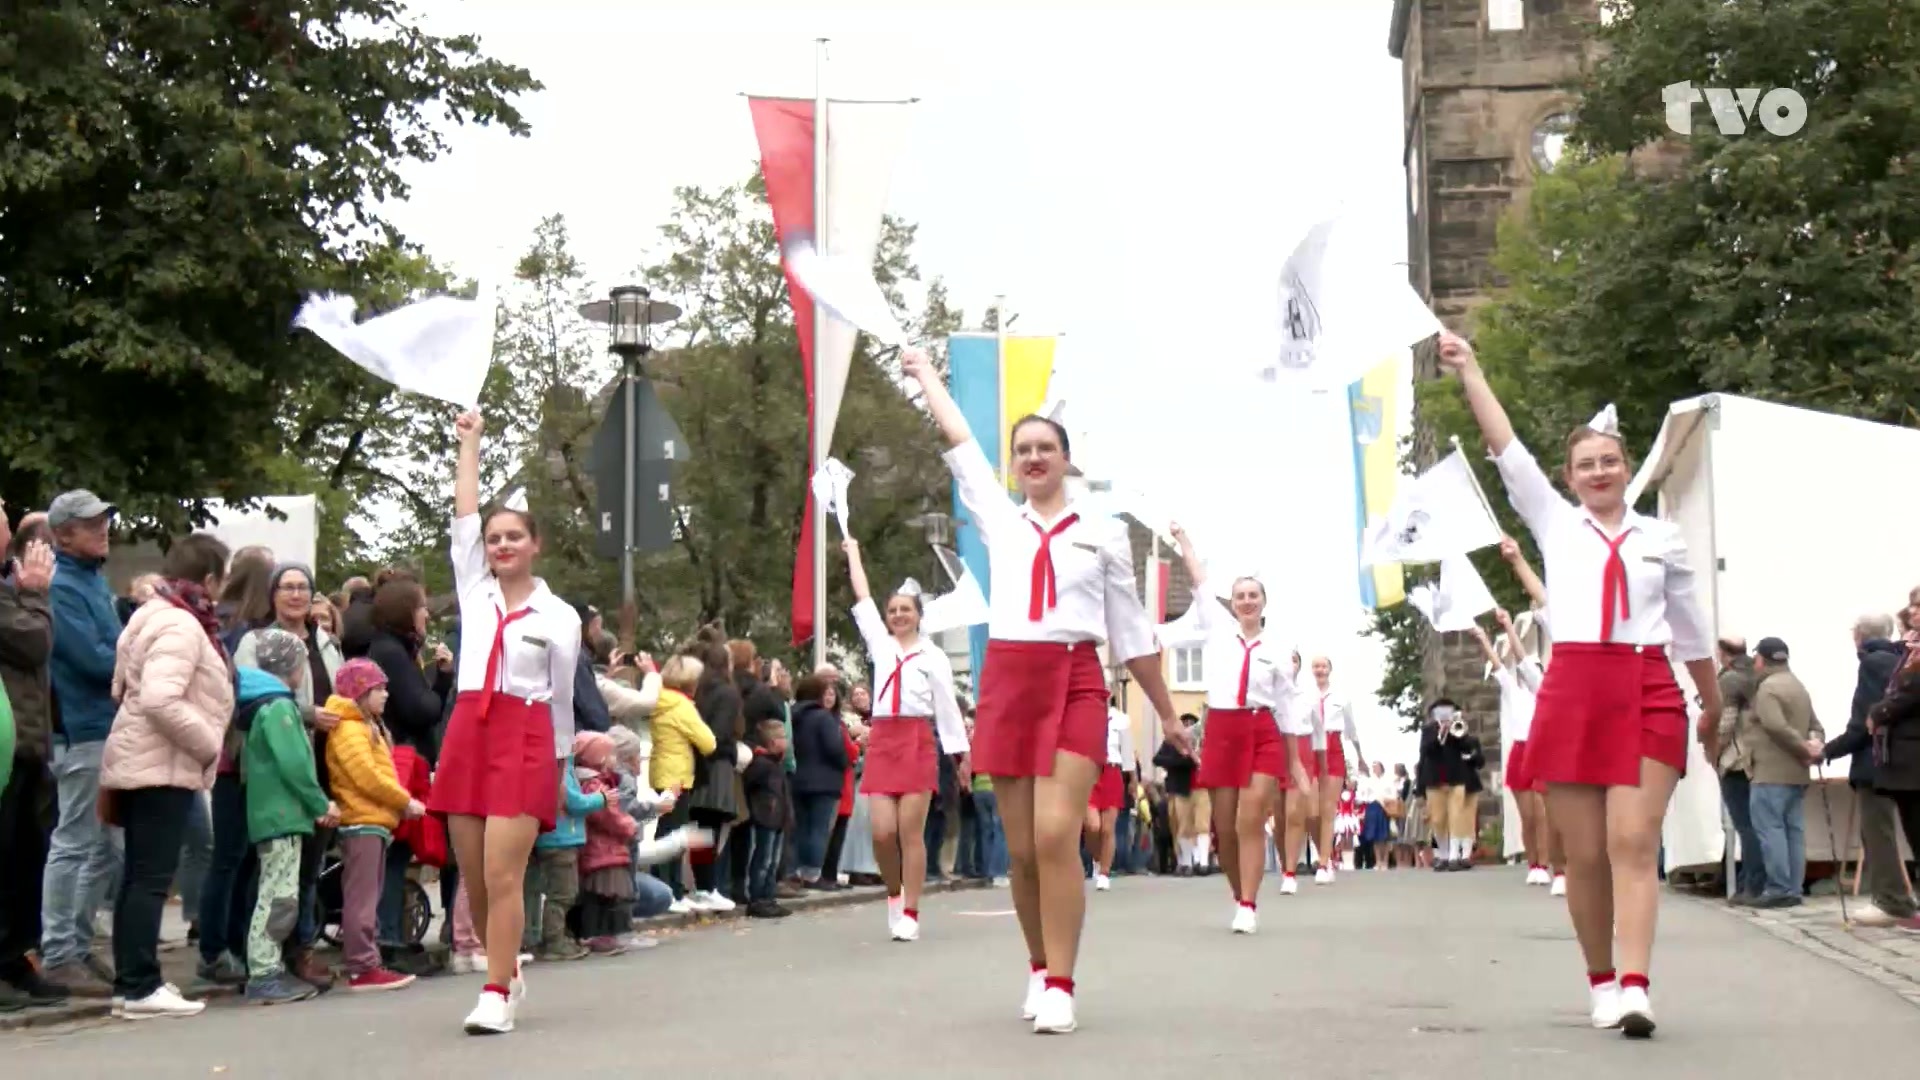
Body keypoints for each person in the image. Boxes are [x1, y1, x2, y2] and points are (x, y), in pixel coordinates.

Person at [1439, 330, 1719, 1038]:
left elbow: (1690, 633)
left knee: (1633, 838)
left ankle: (1637, 985)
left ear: (1628, 468)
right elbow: (1506, 449)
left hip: (1647, 684)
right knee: (1586, 854)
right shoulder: (1555, 524)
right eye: (1586, 465)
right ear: (1568, 478)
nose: (1599, 472)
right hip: (1573, 688)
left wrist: (1712, 706)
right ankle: (1601, 979)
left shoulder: (1662, 539)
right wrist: (1471, 369)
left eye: (1610, 461)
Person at [904, 346, 1188, 1035]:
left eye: (1045, 448)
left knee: (1058, 832)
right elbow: (959, 441)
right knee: (1024, 849)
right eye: (1023, 450)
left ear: (1066, 460)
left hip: (1076, 679)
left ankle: (1062, 983)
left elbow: (1132, 634)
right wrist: (926, 374)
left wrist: (1170, 715)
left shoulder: (1105, 535)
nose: (1034, 458)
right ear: (1013, 465)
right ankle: (1037, 965)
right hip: (1010, 680)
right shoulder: (999, 519)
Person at [427, 410, 584, 1036]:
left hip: (527, 734)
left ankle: (496, 992)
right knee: (473, 874)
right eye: (494, 539)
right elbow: (464, 517)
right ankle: (507, 965)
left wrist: (560, 762)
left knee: (502, 871)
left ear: (534, 544)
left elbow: (562, 696)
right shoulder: (474, 591)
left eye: (514, 536)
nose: (501, 545)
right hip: (469, 727)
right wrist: (469, 444)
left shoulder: (561, 617)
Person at [99, 533, 235, 1020]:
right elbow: (160, 698)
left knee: (140, 876)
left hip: (146, 758)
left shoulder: (156, 615)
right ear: (210, 579)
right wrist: (208, 741)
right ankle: (140, 985)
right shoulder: (180, 623)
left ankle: (133, 983)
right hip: (161, 764)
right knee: (150, 878)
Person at [1165, 523, 1310, 931]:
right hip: (1223, 730)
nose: (1247, 602)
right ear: (1231, 602)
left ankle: (1248, 903)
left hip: (1261, 730)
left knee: (1250, 818)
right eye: (1240, 596)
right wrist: (1183, 540)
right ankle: (1238, 892)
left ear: (1264, 602)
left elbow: (1286, 710)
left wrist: (1295, 763)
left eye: (1253, 596)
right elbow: (1198, 577)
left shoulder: (1279, 649)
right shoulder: (1216, 626)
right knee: (1225, 828)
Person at [841, 537, 968, 941]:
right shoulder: (880, 644)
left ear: (918, 615)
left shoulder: (934, 656)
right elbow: (862, 595)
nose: (898, 615)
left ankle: (911, 912)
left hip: (916, 738)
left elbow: (947, 708)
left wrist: (960, 755)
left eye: (905, 610)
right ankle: (893, 894)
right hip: (883, 738)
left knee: (910, 832)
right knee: (882, 832)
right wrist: (854, 553)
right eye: (893, 610)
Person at [234, 629, 331, 1006]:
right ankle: (264, 971)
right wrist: (320, 803)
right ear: (292, 668)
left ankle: (268, 967)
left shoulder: (264, 705)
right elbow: (295, 764)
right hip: (283, 816)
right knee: (277, 896)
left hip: (273, 814)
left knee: (277, 893)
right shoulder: (280, 708)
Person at [322, 658, 423, 993]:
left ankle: (367, 962)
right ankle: (362, 966)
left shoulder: (365, 726)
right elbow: (366, 776)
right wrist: (403, 801)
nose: (386, 695)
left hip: (373, 821)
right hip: (362, 820)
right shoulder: (350, 729)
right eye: (378, 688)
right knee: (362, 898)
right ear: (360, 692)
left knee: (367, 895)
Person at [1471, 613, 1549, 886]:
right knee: (1527, 817)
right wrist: (1483, 638)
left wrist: (1508, 627)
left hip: (1540, 752)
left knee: (1542, 815)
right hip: (1520, 752)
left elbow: (1522, 655)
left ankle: (1546, 865)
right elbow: (1496, 663)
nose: (1527, 671)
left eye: (1533, 668)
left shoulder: (1543, 690)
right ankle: (1534, 863)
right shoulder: (1512, 690)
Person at [569, 732, 638, 952]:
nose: (614, 760)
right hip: (604, 850)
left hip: (601, 848)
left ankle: (599, 934)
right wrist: (628, 825)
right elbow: (606, 815)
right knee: (607, 894)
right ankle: (601, 934)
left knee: (601, 894)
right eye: (610, 755)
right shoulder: (593, 784)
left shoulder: (593, 780)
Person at [1305, 657, 1367, 885]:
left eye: (1323, 666)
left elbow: (1351, 730)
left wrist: (1360, 756)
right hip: (1311, 748)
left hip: (1333, 748)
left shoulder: (1341, 697)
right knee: (1311, 812)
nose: (1320, 669)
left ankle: (1323, 863)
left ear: (1330, 670)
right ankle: (1325, 853)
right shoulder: (1305, 696)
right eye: (1316, 666)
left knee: (1328, 810)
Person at [741, 718, 794, 919]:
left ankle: (769, 897)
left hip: (777, 818)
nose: (787, 741)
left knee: (773, 861)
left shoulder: (775, 763)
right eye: (783, 737)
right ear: (772, 742)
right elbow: (751, 788)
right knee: (763, 860)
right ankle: (758, 899)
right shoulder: (762, 764)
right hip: (766, 818)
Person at [1084, 698, 1134, 892]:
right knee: (1092, 825)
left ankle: (1104, 873)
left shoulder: (1121, 719)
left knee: (1107, 828)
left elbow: (1127, 754)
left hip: (1112, 771)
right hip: (1090, 771)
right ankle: (1097, 859)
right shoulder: (1085, 715)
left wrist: (1133, 780)